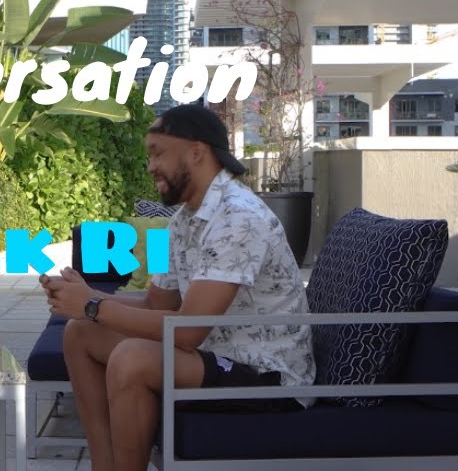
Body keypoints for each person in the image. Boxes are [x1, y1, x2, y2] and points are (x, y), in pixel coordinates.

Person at [40, 103, 315, 471]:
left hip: (266, 374)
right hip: (213, 354)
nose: (150, 166)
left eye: (158, 153)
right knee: (81, 333)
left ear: (196, 152)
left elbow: (187, 330)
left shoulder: (239, 218)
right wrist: (88, 298)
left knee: (133, 357)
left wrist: (93, 305)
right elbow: (157, 305)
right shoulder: (183, 222)